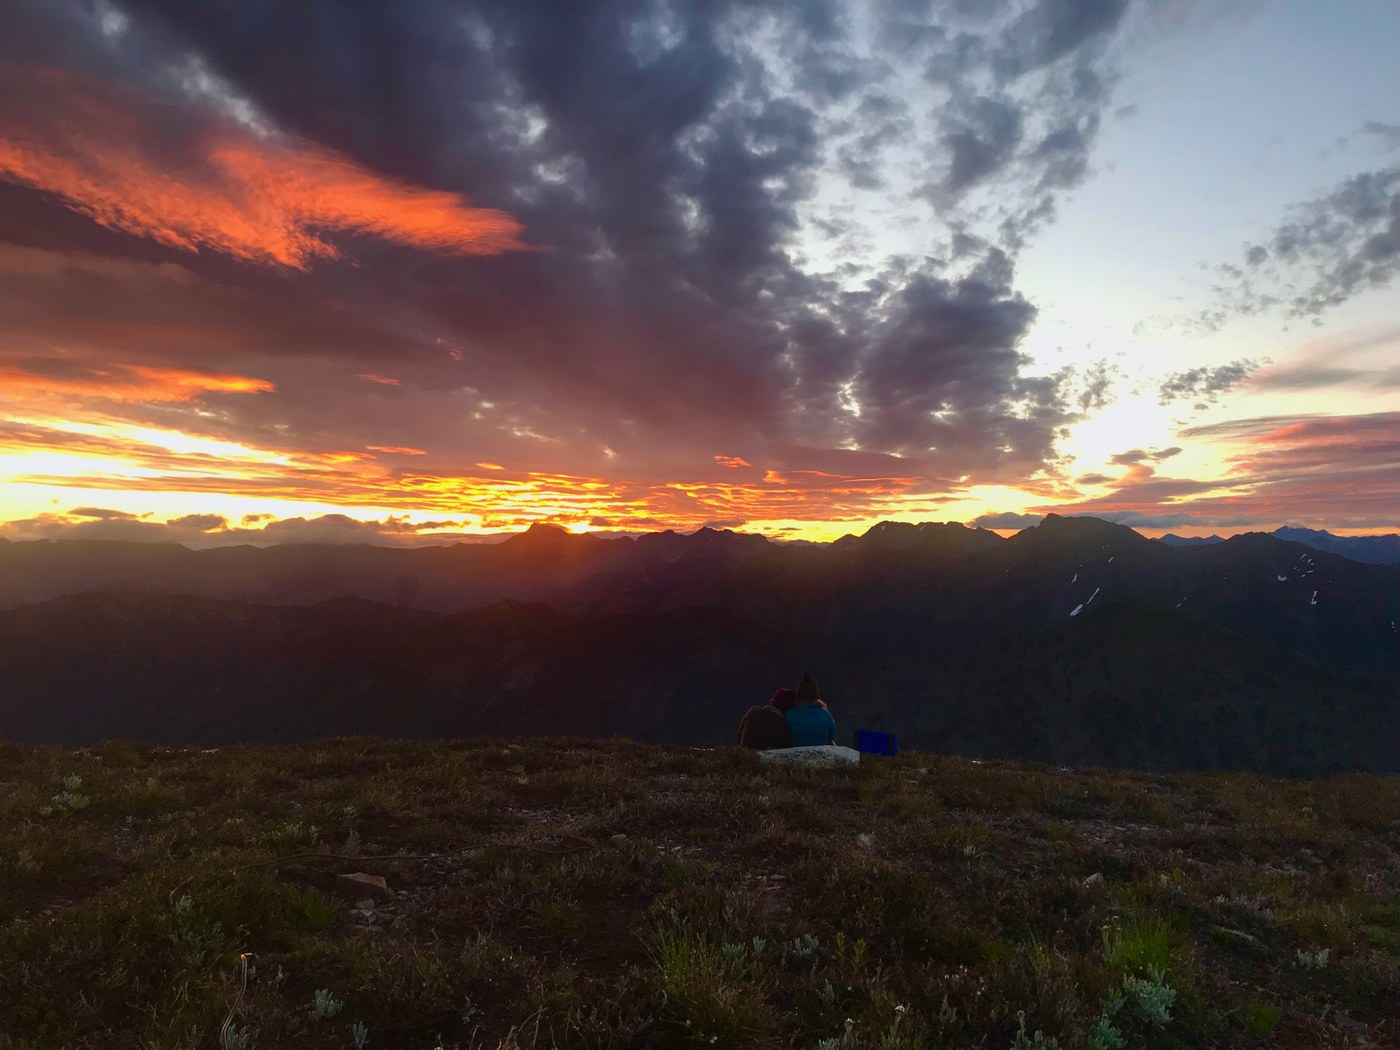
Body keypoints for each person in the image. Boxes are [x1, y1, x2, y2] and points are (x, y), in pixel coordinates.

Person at [785, 672, 836, 746]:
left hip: (795, 750)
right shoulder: (826, 715)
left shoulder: (790, 714)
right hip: (821, 751)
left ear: (799, 697)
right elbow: (832, 734)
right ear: (816, 697)